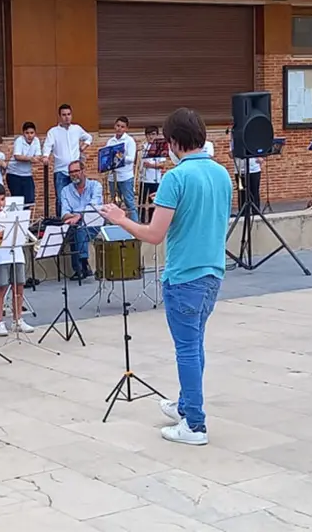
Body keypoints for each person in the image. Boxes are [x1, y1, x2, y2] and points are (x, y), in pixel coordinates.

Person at [99, 107, 232, 446]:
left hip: (184, 275)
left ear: (173, 142)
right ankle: (186, 406)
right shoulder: (221, 174)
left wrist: (118, 218)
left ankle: (195, 425)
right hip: (212, 272)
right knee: (196, 343)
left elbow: (154, 234)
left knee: (186, 349)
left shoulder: (175, 177)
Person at [0, 182, 35, 336]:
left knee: (19, 287)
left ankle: (18, 320)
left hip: (16, 253)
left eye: (2, 200)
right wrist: (4, 231)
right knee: (2, 287)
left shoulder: (10, 213)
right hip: (0, 256)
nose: (0, 204)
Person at [42, 104, 93, 217]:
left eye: (69, 114)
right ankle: (62, 223)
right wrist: (45, 156)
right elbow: (47, 145)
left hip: (76, 171)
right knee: (61, 198)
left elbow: (89, 137)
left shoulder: (77, 129)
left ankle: (76, 220)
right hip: (61, 171)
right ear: (60, 116)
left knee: (77, 196)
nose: (67, 117)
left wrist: (84, 146)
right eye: (64, 115)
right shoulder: (53, 131)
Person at [60, 161, 103, 280]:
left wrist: (78, 216)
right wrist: (74, 218)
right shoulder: (65, 190)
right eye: (71, 172)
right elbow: (64, 213)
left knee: (79, 229)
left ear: (83, 171)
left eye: (76, 171)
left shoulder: (95, 186)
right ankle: (82, 266)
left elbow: (93, 206)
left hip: (94, 222)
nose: (73, 174)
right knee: (77, 229)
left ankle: (81, 265)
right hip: (74, 224)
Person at [106, 116, 138, 222]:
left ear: (126, 129)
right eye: (118, 126)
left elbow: (131, 158)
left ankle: (135, 229)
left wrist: (119, 156)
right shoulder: (111, 141)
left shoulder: (129, 141)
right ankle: (115, 228)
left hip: (125, 177)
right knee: (115, 205)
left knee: (129, 203)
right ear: (114, 126)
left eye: (122, 127)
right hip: (113, 177)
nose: (119, 128)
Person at [7, 121, 41, 208]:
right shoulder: (19, 140)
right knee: (17, 201)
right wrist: (30, 158)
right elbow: (17, 156)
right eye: (27, 133)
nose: (29, 135)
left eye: (32, 133)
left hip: (27, 174)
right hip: (14, 174)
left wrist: (29, 158)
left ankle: (26, 220)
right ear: (23, 133)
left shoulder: (36, 141)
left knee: (29, 201)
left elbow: (38, 157)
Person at [139, 125, 166, 224]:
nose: (151, 137)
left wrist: (150, 165)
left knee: (153, 202)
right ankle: (141, 221)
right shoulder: (143, 147)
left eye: (153, 134)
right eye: (149, 134)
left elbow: (162, 165)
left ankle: (152, 222)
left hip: (155, 179)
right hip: (143, 178)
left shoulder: (160, 148)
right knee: (141, 202)